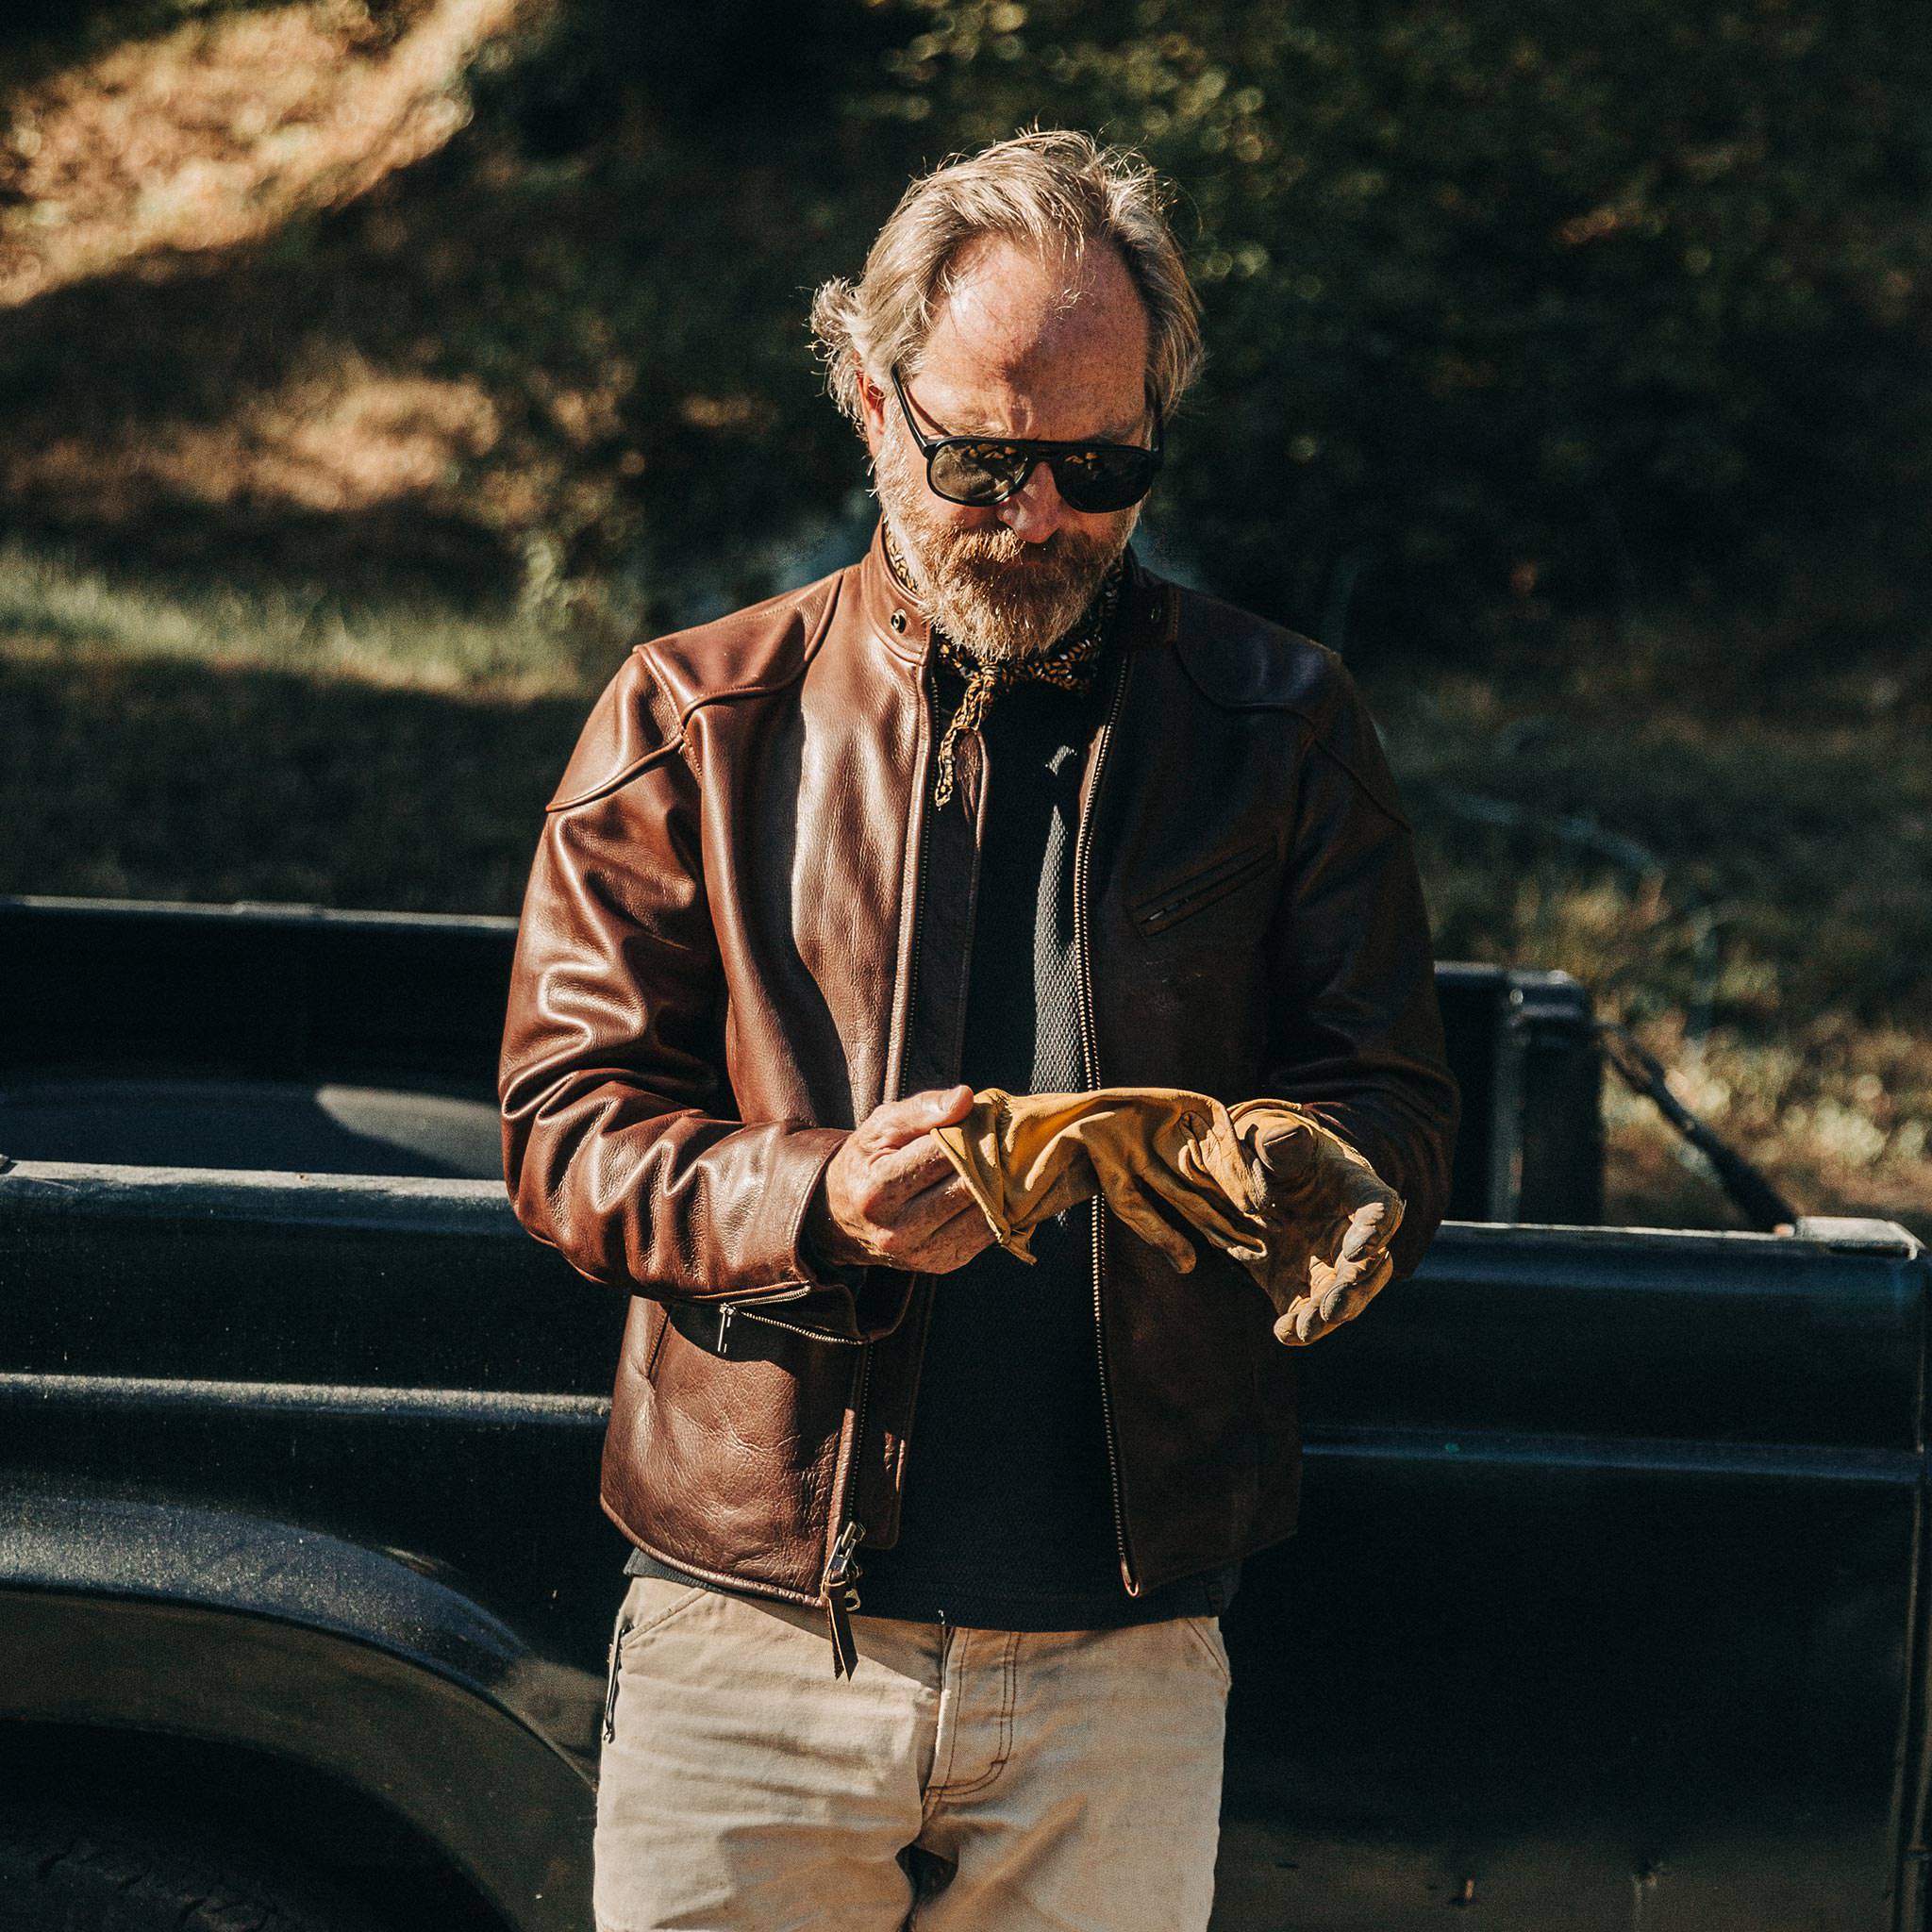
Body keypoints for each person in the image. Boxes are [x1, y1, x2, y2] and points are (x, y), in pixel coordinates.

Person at [499, 128, 1458, 1932]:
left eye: (1099, 466)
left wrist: (1312, 1177)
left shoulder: (1283, 722)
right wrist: (818, 1204)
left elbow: (1395, 1105)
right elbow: (563, 1129)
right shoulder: (694, 717)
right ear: (868, 398)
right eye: (981, 456)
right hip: (750, 1646)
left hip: (1125, 1664)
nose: (1036, 517)